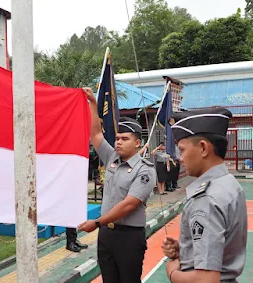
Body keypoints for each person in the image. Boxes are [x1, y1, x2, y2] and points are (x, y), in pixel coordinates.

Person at [78, 88, 156, 283]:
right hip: (107, 235)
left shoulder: (145, 170)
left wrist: (96, 223)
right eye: (117, 139)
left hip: (129, 237)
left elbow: (129, 204)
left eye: (125, 139)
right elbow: (96, 134)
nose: (118, 143)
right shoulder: (112, 157)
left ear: (137, 143)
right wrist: (93, 104)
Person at [161, 108, 247, 282]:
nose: (180, 159)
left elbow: (206, 279)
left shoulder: (206, 198)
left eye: (182, 150)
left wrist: (172, 273)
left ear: (203, 148)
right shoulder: (228, 183)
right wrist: (187, 251)